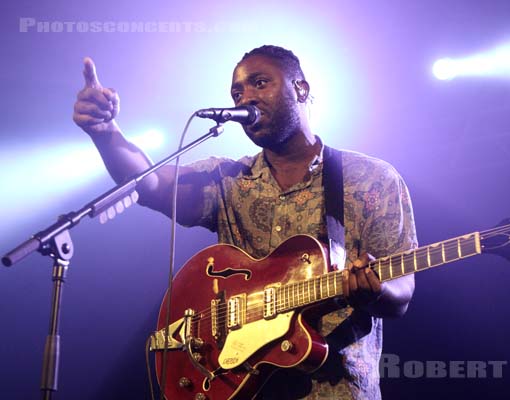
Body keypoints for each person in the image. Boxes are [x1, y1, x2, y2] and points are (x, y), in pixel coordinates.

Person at [73, 45, 417, 399]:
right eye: (237, 92)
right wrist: (105, 132)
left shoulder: (371, 178)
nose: (245, 97)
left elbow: (403, 291)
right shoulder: (229, 178)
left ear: (301, 89)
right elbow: (153, 185)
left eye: (260, 83)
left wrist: (375, 289)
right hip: (241, 387)